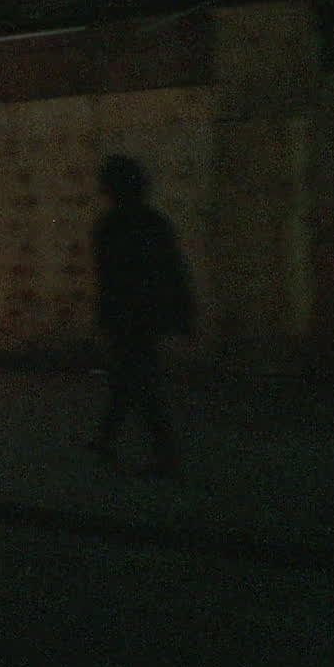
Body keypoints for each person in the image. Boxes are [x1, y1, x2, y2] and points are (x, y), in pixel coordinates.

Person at [87, 154, 193, 477]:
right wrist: (182, 311)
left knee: (138, 381)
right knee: (130, 377)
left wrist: (105, 314)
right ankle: (108, 439)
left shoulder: (108, 226)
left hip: (126, 315)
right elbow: (175, 270)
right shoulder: (154, 222)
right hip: (148, 314)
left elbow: (109, 278)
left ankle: (164, 455)